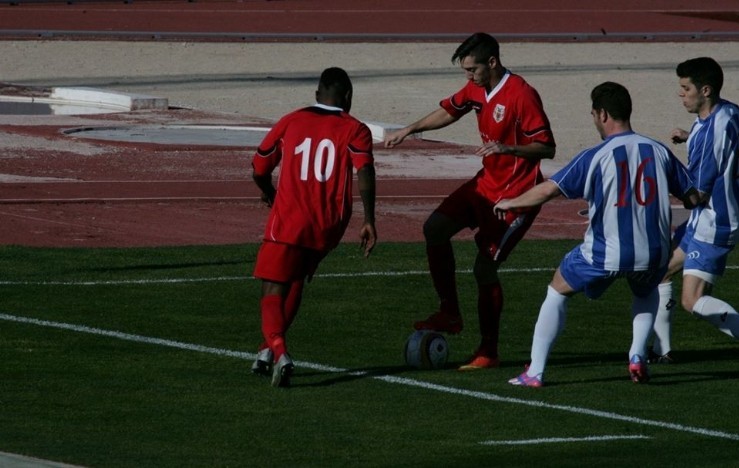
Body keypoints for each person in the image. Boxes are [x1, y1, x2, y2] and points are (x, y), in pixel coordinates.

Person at [495, 82, 698, 387]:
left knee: (557, 290)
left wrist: (512, 201)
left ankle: (535, 371)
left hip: (606, 252)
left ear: (603, 114)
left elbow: (550, 189)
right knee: (645, 292)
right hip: (655, 253)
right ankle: (637, 356)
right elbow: (693, 198)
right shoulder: (659, 151)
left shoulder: (596, 155)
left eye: (593, 115)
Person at [383, 32, 556, 370]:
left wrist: (509, 148)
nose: (468, 76)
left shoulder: (522, 95)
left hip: (516, 196)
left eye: (472, 69)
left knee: (483, 268)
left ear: (492, 62)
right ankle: (449, 312)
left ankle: (488, 351)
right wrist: (410, 128)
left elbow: (547, 147)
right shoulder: (477, 88)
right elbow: (451, 110)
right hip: (485, 184)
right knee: (434, 228)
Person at [250, 67, 377, 387]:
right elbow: (365, 172)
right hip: (328, 224)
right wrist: (369, 219)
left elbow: (259, 167)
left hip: (290, 218)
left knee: (271, 287)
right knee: (294, 281)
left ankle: (279, 350)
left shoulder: (291, 120)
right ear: (347, 97)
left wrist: (270, 195)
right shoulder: (356, 129)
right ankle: (266, 352)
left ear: (317, 94)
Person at [649, 57, 739, 362]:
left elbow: (697, 195)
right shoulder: (729, 112)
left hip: (714, 222)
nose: (681, 94)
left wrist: (662, 180)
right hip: (709, 219)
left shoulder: (709, 134)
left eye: (686, 88)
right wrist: (690, 138)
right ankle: (662, 351)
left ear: (705, 90)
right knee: (661, 272)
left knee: (692, 300)